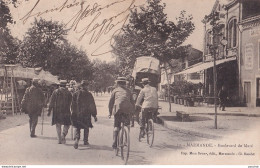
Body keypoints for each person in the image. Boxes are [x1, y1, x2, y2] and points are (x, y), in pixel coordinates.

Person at [108, 77, 135, 149]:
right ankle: (126, 139)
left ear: (117, 83)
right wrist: (133, 112)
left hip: (118, 110)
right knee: (127, 125)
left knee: (116, 126)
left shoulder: (115, 90)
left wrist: (110, 112)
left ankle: (114, 141)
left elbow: (111, 102)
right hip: (127, 110)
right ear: (125, 83)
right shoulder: (129, 91)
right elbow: (132, 102)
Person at [71, 80, 97, 149]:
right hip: (86, 114)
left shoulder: (75, 93)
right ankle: (85, 141)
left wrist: (73, 113)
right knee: (86, 127)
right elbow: (92, 106)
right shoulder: (89, 94)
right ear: (86, 86)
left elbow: (72, 105)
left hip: (77, 114)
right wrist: (94, 115)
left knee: (77, 127)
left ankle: (76, 140)